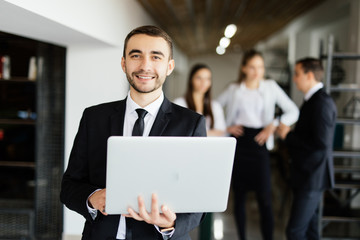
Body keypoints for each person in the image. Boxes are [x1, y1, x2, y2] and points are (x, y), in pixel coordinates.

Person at [60, 25, 206, 240]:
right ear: (123, 63)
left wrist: (171, 223)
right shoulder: (94, 118)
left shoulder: (191, 124)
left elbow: (199, 198)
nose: (145, 66)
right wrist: (93, 198)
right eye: (136, 55)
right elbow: (70, 186)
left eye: (156, 57)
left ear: (169, 66)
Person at [217, 49, 299, 240]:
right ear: (244, 68)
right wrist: (228, 127)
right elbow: (214, 106)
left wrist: (275, 124)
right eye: (252, 67)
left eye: (260, 67)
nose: (257, 71)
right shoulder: (234, 89)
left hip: (260, 143)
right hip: (239, 143)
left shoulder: (270, 86)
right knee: (239, 198)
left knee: (265, 199)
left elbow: (293, 111)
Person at [276, 57, 336, 240]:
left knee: (295, 232)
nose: (294, 79)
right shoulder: (313, 100)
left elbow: (321, 143)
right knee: (310, 232)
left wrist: (288, 135)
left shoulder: (321, 103)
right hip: (308, 176)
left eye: (297, 74)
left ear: (309, 75)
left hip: (312, 177)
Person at [174, 63, 226, 137]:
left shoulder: (215, 106)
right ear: (191, 79)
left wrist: (194, 134)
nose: (203, 82)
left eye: (207, 79)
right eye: (199, 78)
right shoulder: (179, 103)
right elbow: (177, 131)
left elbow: (220, 132)